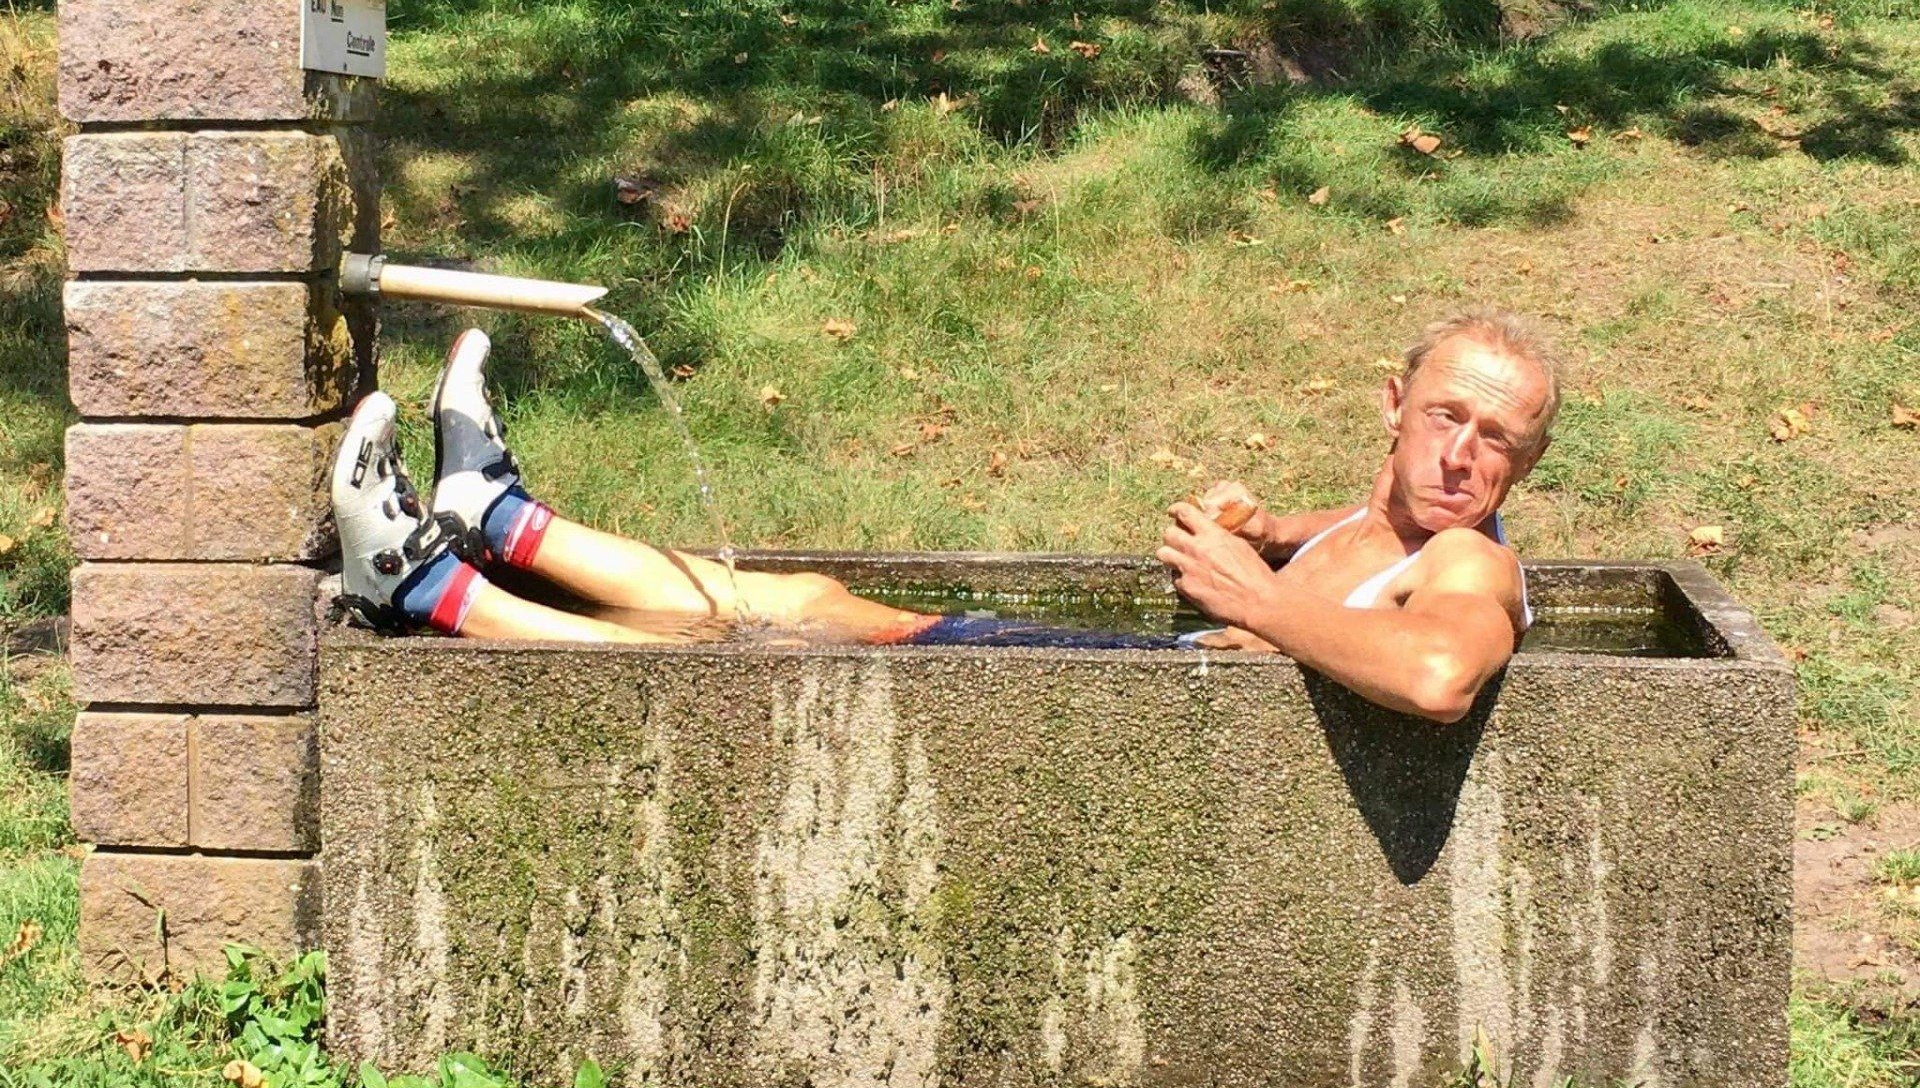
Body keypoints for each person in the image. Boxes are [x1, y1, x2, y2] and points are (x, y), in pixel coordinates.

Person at [331, 310, 1558, 722]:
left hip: (1120, 715)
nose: (1461, 455)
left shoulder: (1472, 564)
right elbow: (1343, 555)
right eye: (1446, 416)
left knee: (775, 649)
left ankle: (439, 593)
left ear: (1527, 461)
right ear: (1393, 406)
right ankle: (501, 519)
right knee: (813, 603)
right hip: (1131, 683)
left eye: (1496, 439)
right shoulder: (1394, 521)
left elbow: (1439, 671)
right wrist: (1264, 529)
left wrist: (1255, 597)